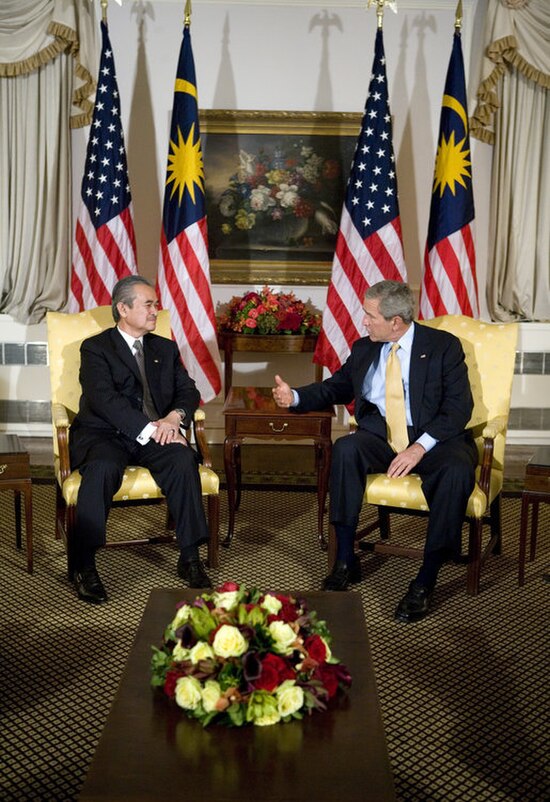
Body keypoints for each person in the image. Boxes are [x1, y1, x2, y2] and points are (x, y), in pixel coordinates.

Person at [272, 280, 477, 623]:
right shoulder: (365, 348)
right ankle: (344, 558)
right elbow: (337, 386)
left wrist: (418, 448)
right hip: (382, 435)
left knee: (456, 471)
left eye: (370, 316)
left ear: (396, 321)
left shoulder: (443, 346)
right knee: (347, 449)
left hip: (436, 439)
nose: (363, 322)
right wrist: (294, 397)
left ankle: (426, 578)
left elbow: (458, 409)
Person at [69, 275, 211, 604]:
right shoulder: (96, 348)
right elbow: (104, 400)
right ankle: (84, 565)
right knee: (102, 468)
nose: (155, 310)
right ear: (123, 308)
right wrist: (154, 429)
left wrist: (175, 418)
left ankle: (189, 556)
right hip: (105, 433)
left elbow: (188, 390)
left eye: (155, 304)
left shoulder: (165, 347)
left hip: (155, 433)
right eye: (148, 304)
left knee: (181, 459)